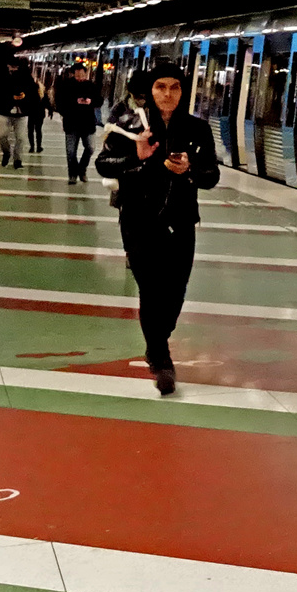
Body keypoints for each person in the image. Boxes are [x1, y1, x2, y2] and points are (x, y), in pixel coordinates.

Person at [94, 63, 218, 395]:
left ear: (183, 91)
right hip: (138, 219)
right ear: (150, 91)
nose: (167, 93)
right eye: (160, 87)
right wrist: (138, 159)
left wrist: (190, 170)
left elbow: (212, 176)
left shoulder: (198, 129)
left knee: (175, 291)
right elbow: (103, 164)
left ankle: (157, 340)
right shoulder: (130, 125)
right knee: (150, 289)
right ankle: (161, 359)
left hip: (181, 222)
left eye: (174, 87)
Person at [55, 64, 100, 183]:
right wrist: (75, 103)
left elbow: (99, 100)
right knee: (71, 151)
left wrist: (90, 101)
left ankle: (82, 169)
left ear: (86, 73)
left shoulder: (91, 86)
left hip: (88, 123)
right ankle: (72, 175)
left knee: (91, 147)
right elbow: (59, 103)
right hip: (71, 122)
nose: (80, 76)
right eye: (77, 74)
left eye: (82, 74)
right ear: (73, 73)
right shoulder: (66, 85)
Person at [0, 63, 38, 169]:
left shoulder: (26, 76)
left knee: (21, 137)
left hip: (22, 112)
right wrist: (11, 97)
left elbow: (33, 91)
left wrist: (25, 96)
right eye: (11, 65)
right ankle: (6, 152)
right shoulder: (1, 76)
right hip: (4, 112)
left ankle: (17, 159)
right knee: (2, 136)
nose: (14, 68)